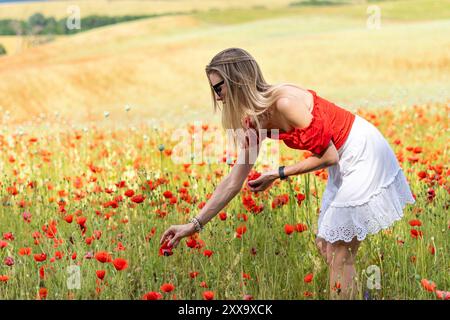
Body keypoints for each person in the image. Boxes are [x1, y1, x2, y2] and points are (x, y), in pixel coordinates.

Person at [160, 47, 415, 299]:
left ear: (237, 81)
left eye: (218, 88)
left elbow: (329, 155)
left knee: (340, 255)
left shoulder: (283, 103)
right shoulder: (254, 120)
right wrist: (194, 225)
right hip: (343, 162)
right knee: (326, 247)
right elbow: (233, 181)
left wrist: (278, 173)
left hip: (363, 152)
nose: (217, 97)